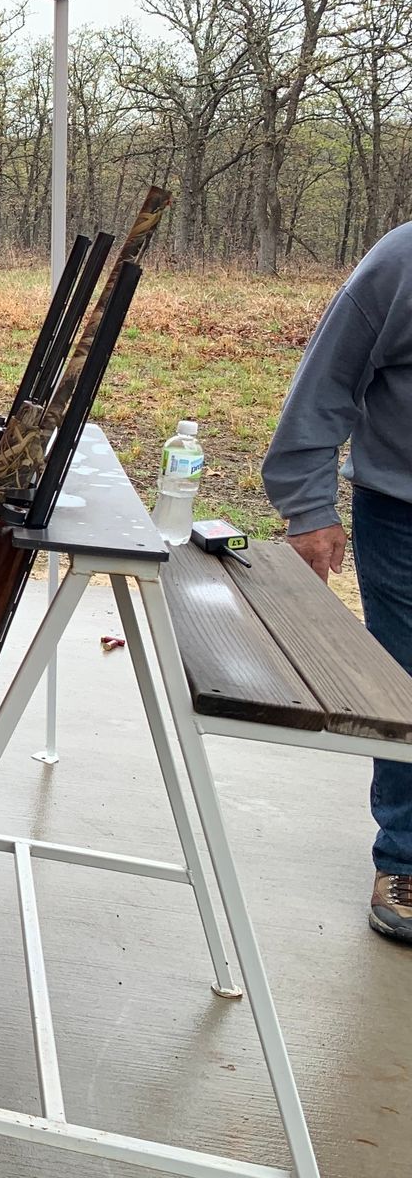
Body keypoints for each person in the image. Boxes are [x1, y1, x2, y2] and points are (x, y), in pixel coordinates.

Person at [262, 219, 412, 945]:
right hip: (405, 513)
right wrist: (308, 506)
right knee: (409, 688)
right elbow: (328, 383)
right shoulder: (404, 259)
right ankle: (408, 859)